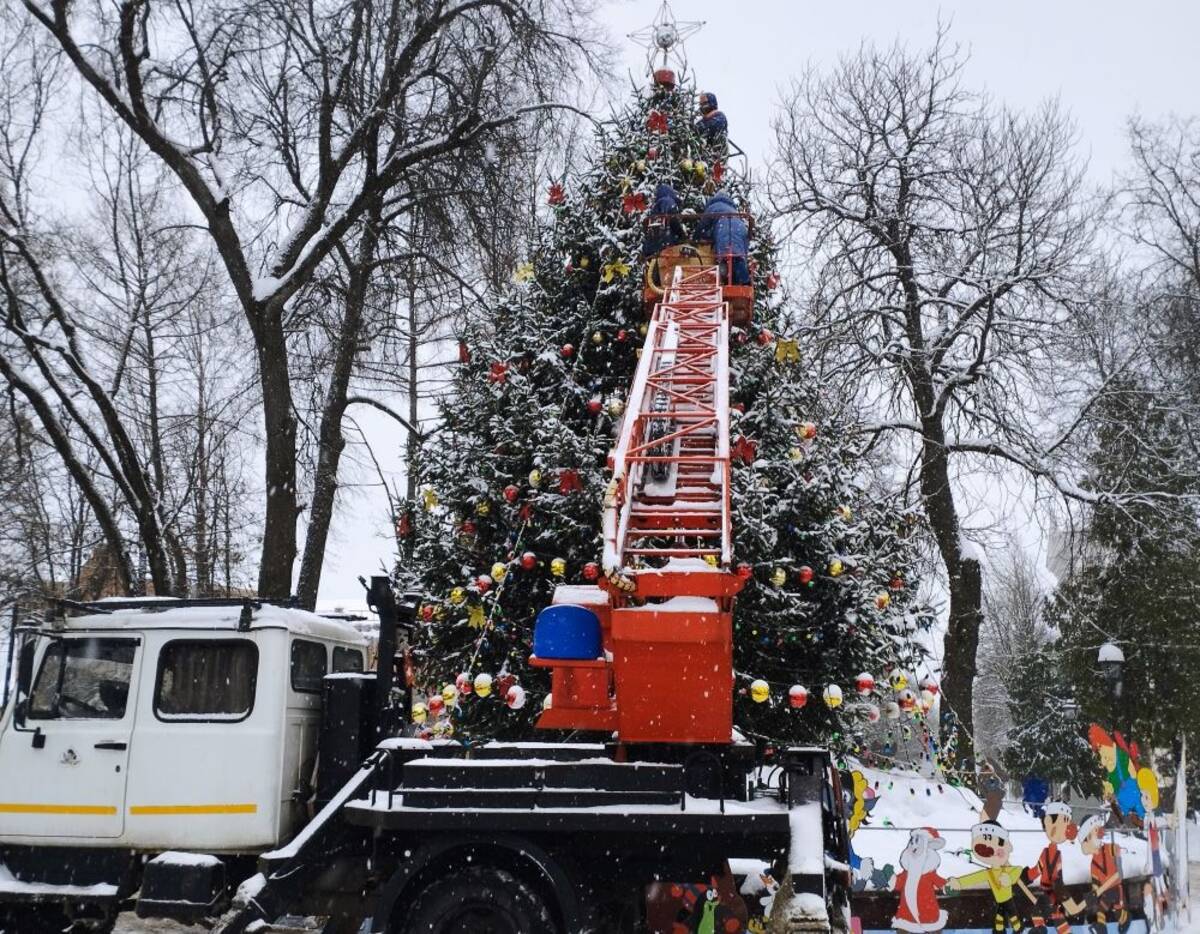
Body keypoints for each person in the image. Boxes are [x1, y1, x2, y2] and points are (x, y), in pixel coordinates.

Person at [945, 821, 1033, 934]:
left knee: (1010, 916)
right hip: (1001, 899)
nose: (992, 851)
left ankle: (1015, 930)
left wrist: (1009, 878)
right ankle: (1005, 930)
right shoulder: (988, 873)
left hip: (1007, 899)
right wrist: (959, 882)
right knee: (1004, 916)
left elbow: (1018, 870)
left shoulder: (1005, 870)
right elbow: (974, 878)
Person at [1024, 802, 1084, 934]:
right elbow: (1038, 870)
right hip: (1052, 893)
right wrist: (1025, 877)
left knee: (1039, 913)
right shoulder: (1048, 853)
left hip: (1052, 893)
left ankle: (1041, 929)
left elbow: (1053, 875)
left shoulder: (1057, 854)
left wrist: (1025, 877)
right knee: (1055, 917)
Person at [1078, 813, 1131, 934]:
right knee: (1101, 909)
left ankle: (1125, 919)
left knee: (1117, 909)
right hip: (1106, 892)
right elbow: (1096, 883)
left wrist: (1117, 857)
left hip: (1116, 888)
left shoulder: (1109, 848)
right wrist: (1093, 893)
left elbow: (1119, 867)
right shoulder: (1093, 864)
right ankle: (1102, 927)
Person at [696, 190, 749, 285]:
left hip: (725, 226)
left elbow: (703, 226)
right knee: (738, 257)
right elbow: (745, 245)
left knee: (726, 257)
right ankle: (743, 282)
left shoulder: (714, 207)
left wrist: (696, 238)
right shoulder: (733, 210)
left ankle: (726, 281)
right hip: (740, 228)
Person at [642, 183, 686, 257]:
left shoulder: (656, 206)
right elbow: (672, 217)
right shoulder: (668, 201)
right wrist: (681, 234)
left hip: (652, 247)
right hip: (665, 244)